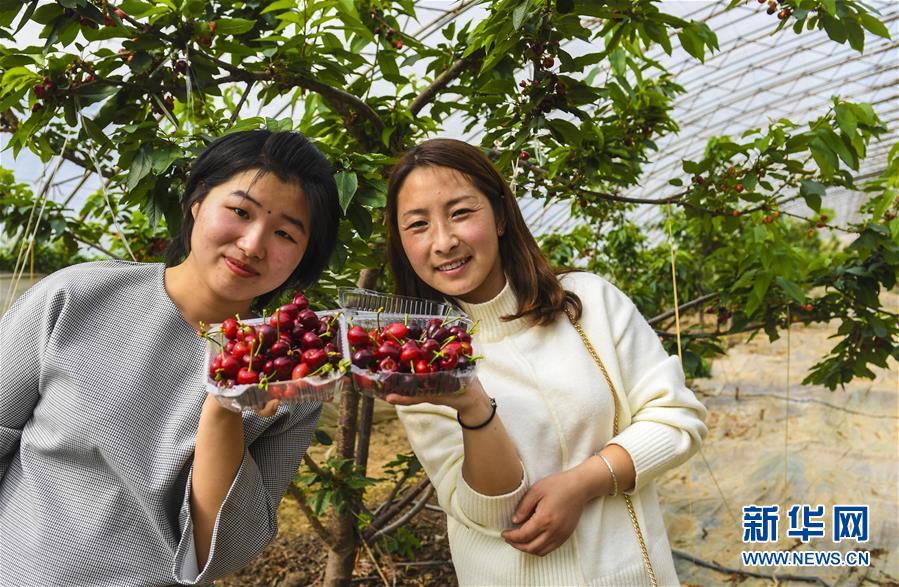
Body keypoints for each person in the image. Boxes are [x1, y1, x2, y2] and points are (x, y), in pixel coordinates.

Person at [0, 129, 340, 585]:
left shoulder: (290, 379)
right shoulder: (76, 296)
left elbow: (216, 554)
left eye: (284, 233)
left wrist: (223, 410)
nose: (253, 244)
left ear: (303, 256)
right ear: (198, 200)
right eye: (240, 211)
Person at [384, 138, 708, 586]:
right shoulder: (419, 361)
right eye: (418, 225)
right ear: (402, 243)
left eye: (460, 212)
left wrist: (584, 482)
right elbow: (488, 513)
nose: (443, 241)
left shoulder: (588, 303)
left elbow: (678, 417)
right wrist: (473, 407)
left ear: (499, 216)